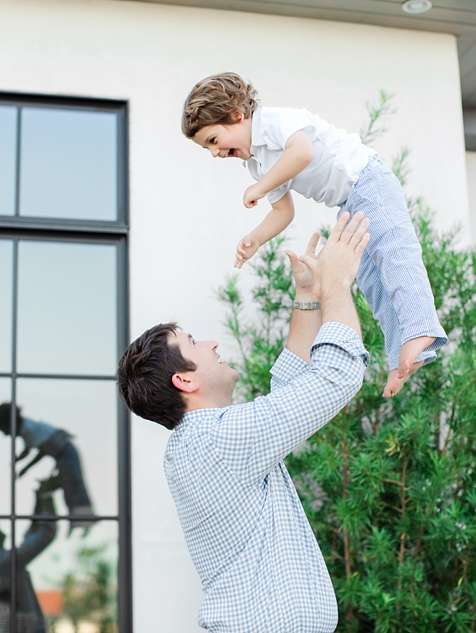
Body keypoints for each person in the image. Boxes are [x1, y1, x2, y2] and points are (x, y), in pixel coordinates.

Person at [117, 212, 371, 632]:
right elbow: (335, 378)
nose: (213, 342)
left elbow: (289, 388)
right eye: (196, 343)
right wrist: (338, 285)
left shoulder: (209, 443)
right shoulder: (217, 442)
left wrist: (309, 296)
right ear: (184, 379)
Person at [182, 71, 447, 397]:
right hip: (347, 203)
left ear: (237, 116)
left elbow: (302, 152)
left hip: (367, 179)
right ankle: (404, 356)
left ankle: (422, 329)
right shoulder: (257, 164)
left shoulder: (275, 122)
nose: (214, 153)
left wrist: (260, 187)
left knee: (394, 253)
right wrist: (256, 238)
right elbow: (283, 212)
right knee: (372, 281)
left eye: (213, 140)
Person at [0, 481, 58, 633]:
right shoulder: (3, 562)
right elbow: (44, 534)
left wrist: (39, 500)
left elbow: (31, 538)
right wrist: (47, 496)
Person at [0, 403, 93, 533]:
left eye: (4, 430)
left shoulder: (29, 429)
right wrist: (18, 460)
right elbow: (28, 449)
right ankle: (78, 522)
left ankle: (85, 520)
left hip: (65, 452)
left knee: (75, 484)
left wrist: (25, 468)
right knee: (68, 487)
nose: (6, 434)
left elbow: (42, 451)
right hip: (60, 455)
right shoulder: (26, 430)